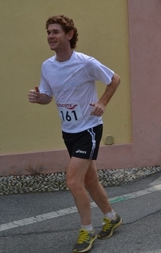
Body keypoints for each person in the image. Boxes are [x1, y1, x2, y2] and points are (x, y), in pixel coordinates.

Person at [28, 15, 122, 253]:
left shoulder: (85, 62)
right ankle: (111, 217)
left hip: (89, 128)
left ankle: (86, 230)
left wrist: (102, 102)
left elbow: (114, 79)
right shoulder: (47, 66)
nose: (50, 36)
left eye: (56, 32)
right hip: (68, 131)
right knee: (89, 180)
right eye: (48, 32)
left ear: (69, 35)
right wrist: (40, 99)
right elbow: (48, 96)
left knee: (73, 180)